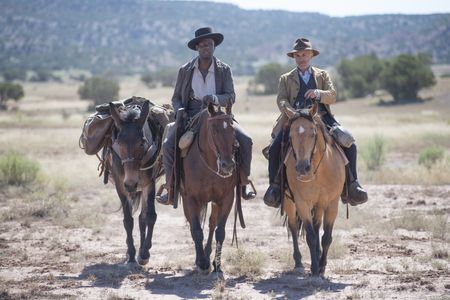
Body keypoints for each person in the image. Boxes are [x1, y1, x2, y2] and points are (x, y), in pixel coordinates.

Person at [263, 37, 368, 208]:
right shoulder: (286, 78)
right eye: (298, 55)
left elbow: (332, 95)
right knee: (275, 147)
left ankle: (352, 185)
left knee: (350, 143)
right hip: (293, 119)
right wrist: (291, 112)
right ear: (294, 57)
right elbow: (281, 100)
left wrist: (318, 93)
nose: (302, 58)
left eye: (305, 54)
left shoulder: (323, 75)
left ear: (311, 55)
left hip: (321, 118)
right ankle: (275, 188)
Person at [157, 27, 255, 205]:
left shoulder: (224, 70)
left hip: (218, 117)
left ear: (214, 46)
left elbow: (231, 96)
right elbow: (176, 98)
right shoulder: (185, 70)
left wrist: (216, 98)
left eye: (209, 44)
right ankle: (171, 188)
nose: (206, 48)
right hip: (191, 116)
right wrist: (179, 110)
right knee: (168, 145)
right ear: (197, 48)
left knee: (246, 140)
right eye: (202, 45)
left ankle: (243, 183)